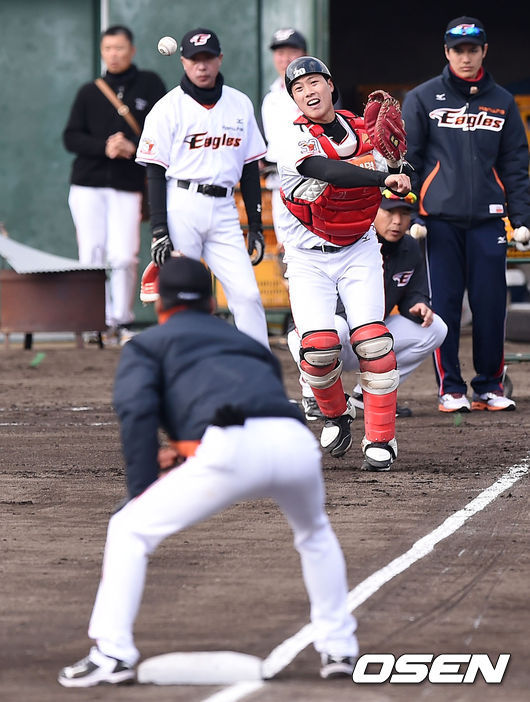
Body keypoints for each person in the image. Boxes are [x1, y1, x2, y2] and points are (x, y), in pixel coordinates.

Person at [57, 254, 359, 687]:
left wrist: (140, 492)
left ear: (160, 303)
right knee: (314, 534)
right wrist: (190, 455)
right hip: (295, 442)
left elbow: (138, 415)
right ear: (211, 302)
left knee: (129, 529)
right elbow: (248, 399)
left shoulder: (147, 345)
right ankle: (339, 648)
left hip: (231, 448)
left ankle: (112, 653)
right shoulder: (246, 343)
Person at [276, 56, 411, 471]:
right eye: (298, 88)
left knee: (374, 342)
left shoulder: (364, 129)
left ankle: (381, 439)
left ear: (331, 86)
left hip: (358, 248)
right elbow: (330, 171)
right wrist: (382, 177)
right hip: (307, 256)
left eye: (314, 82)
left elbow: (397, 172)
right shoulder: (292, 137)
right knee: (317, 349)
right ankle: (336, 415)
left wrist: (398, 167)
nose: (308, 92)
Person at [401, 16, 530, 413]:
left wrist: (521, 218)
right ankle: (451, 388)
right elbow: (410, 163)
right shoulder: (422, 98)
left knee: (491, 306)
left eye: (473, 49)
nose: (466, 57)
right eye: (458, 50)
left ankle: (489, 386)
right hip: (438, 222)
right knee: (444, 307)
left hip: (489, 221)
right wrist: (413, 215)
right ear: (447, 52)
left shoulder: (503, 102)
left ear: (484, 51)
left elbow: (515, 164)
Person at [136, 28, 270, 349]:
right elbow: (155, 172)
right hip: (182, 204)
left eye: (208, 58)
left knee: (248, 294)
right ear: (183, 61)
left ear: (219, 59)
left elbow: (250, 169)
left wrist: (255, 224)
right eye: (195, 59)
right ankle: (180, 365)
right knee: (181, 296)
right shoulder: (168, 107)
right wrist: (159, 230)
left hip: (224, 208)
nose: (202, 66)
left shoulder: (239, 103)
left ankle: (258, 366)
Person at [288, 190, 448, 421]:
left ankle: (367, 394)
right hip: (319, 336)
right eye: (389, 212)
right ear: (372, 210)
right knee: (336, 328)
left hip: (366, 339)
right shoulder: (352, 242)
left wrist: (418, 304)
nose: (397, 221)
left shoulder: (409, 247)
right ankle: (313, 395)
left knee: (436, 328)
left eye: (404, 213)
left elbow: (414, 292)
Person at [63, 25, 166, 345]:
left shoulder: (150, 84)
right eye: (108, 48)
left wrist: (132, 145)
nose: (114, 54)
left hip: (127, 184)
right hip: (87, 184)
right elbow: (71, 137)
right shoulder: (89, 91)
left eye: (119, 48)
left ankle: (120, 320)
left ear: (131, 50)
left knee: (124, 256)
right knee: (90, 253)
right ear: (102, 52)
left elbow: (164, 129)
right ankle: (96, 322)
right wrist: (104, 147)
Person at [261, 28, 307, 246]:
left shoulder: (316, 91)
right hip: (279, 181)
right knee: (286, 246)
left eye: (292, 52)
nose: (285, 59)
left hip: (311, 180)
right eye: (280, 53)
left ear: (304, 54)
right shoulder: (271, 98)